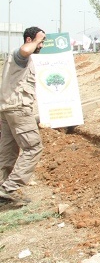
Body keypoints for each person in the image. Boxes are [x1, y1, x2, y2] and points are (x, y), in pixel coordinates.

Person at [0, 27, 46, 204]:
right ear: (29, 39)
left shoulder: (15, 59)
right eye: (40, 41)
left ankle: (2, 186)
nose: (41, 45)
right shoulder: (21, 54)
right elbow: (26, 49)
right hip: (18, 108)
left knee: (8, 151)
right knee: (33, 147)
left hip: (7, 109)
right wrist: (35, 40)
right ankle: (9, 188)